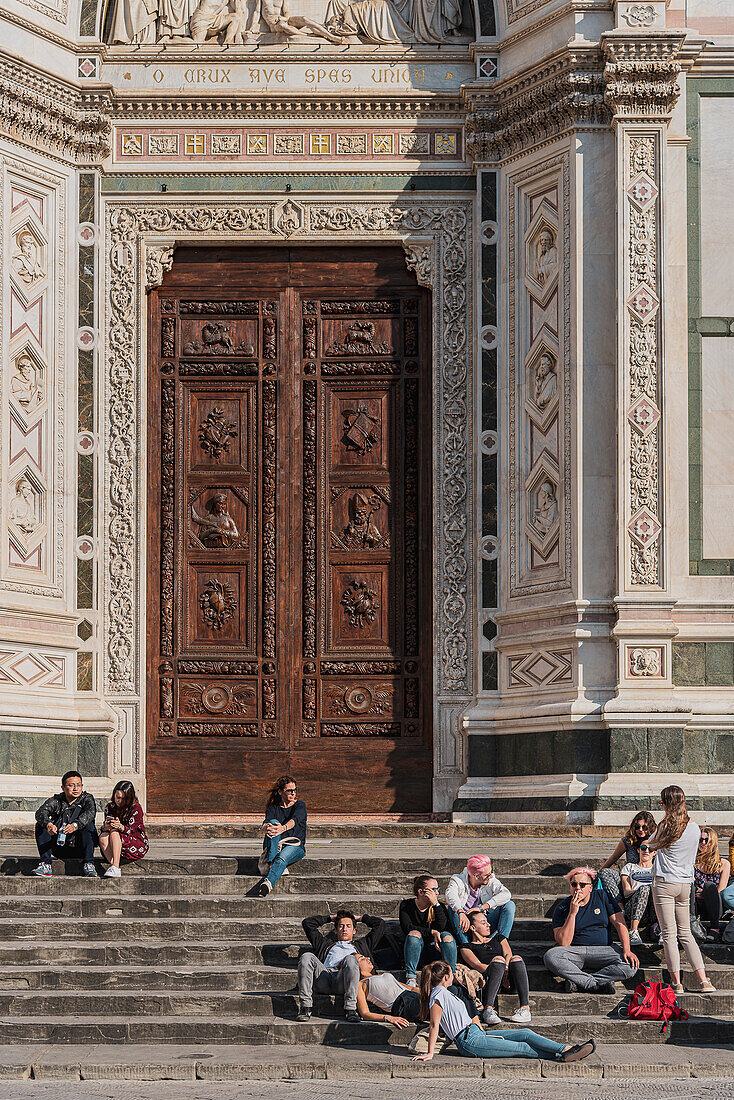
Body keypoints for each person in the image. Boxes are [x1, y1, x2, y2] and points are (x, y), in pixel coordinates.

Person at [412, 961, 596, 1064]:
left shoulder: (444, 993)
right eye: (452, 973)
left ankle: (565, 1049)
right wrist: (430, 1053)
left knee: (525, 1033)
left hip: (476, 1033)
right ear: (446, 977)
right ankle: (564, 1054)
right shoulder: (437, 996)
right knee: (522, 1048)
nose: (453, 976)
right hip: (469, 1041)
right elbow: (435, 1024)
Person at [648, 785, 715, 994]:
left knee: (669, 934)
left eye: (661, 802)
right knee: (686, 933)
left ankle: (676, 983)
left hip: (665, 882)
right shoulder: (695, 828)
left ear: (667, 804)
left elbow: (650, 845)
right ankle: (704, 980)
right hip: (685, 884)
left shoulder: (665, 827)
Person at [544, 866, 639, 992]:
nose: (578, 888)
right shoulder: (562, 908)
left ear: (590, 887)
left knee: (630, 965)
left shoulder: (603, 897)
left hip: (604, 951)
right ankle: (597, 984)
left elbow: (620, 924)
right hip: (575, 952)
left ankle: (581, 982)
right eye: (574, 884)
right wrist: (572, 913)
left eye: (582, 885)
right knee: (551, 956)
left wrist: (627, 950)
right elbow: (564, 943)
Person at [297, 908, 385, 1023]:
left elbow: (380, 925)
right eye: (341, 926)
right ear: (335, 930)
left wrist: (360, 918)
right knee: (307, 956)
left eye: (348, 926)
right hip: (323, 976)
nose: (344, 929)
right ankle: (305, 1007)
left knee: (351, 959)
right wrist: (330, 918)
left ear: (354, 931)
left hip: (343, 978)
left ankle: (350, 1009)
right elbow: (307, 924)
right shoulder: (325, 944)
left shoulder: (363, 944)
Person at [353, 954, 476, 1026]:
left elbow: (411, 988)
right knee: (455, 993)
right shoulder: (360, 984)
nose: (367, 958)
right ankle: (475, 1026)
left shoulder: (380, 975)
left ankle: (475, 1025)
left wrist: (430, 992)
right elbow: (365, 1014)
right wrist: (387, 1018)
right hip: (402, 1004)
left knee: (456, 990)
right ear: (354, 966)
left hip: (411, 996)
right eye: (361, 958)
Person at [459, 909, 531, 1025]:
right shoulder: (466, 947)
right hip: (488, 982)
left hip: (507, 981)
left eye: (487, 922)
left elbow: (508, 953)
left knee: (516, 958)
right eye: (483, 923)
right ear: (472, 928)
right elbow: (477, 964)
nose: (488, 925)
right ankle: (488, 1009)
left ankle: (525, 1009)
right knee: (498, 960)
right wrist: (498, 969)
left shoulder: (499, 938)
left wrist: (505, 970)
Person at [33, 771, 98, 878]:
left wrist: (75, 825)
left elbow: (90, 813)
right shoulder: (56, 800)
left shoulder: (87, 799)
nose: (76, 788)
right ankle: (46, 865)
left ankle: (89, 864)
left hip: (79, 846)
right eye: (71, 785)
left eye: (78, 785)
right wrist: (49, 824)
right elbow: (41, 812)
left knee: (89, 825)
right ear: (63, 788)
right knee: (41, 824)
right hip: (59, 845)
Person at [445, 854, 515, 955]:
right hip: (465, 925)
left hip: (484, 923)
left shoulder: (490, 880)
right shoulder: (458, 880)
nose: (490, 876)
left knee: (509, 905)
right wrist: (461, 912)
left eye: (491, 872)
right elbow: (450, 895)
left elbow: (506, 894)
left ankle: (501, 942)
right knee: (453, 910)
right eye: (487, 875)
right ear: (476, 876)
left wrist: (482, 907)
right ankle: (467, 947)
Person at [399, 873, 457, 987]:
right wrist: (431, 932)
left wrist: (436, 904)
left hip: (436, 949)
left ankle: (451, 976)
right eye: (433, 889)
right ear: (421, 892)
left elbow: (442, 927)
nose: (437, 893)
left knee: (447, 936)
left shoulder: (438, 906)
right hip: (416, 951)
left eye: (438, 889)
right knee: (414, 934)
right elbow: (407, 927)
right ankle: (411, 977)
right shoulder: (407, 905)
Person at [257, 776, 306, 896]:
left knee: (282, 858)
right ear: (280, 792)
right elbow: (266, 822)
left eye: (295, 790)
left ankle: (268, 883)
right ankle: (274, 863)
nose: (293, 793)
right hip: (275, 844)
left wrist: (282, 829)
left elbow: (295, 820)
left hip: (295, 846)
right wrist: (267, 826)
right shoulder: (273, 808)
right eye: (289, 790)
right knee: (273, 822)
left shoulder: (299, 805)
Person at [598, 810, 657, 901]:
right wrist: (598, 873)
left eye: (644, 827)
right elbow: (614, 857)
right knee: (605, 873)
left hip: (650, 881)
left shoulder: (656, 841)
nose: (640, 830)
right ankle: (620, 907)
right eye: (638, 827)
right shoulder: (628, 841)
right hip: (630, 882)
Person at [98, 781, 149, 878]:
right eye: (118, 797)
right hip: (114, 845)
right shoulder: (110, 807)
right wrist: (106, 826)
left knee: (114, 832)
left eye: (123, 798)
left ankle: (115, 866)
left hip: (135, 842)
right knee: (103, 836)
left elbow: (132, 831)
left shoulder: (136, 808)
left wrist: (121, 827)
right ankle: (114, 865)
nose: (119, 801)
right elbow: (104, 829)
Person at [693, 828, 731, 942]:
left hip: (714, 905)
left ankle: (715, 928)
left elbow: (721, 890)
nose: (703, 843)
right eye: (700, 840)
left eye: (707, 840)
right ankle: (690, 923)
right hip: (696, 903)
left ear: (713, 843)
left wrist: (705, 892)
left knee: (709, 886)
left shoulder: (723, 863)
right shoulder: (692, 861)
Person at [619, 840, 655, 945]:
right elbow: (626, 892)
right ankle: (633, 930)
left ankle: (662, 931)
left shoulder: (658, 869)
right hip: (634, 906)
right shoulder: (630, 867)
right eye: (643, 848)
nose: (646, 851)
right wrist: (643, 889)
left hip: (653, 909)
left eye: (650, 849)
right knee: (645, 889)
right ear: (638, 850)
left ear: (655, 852)